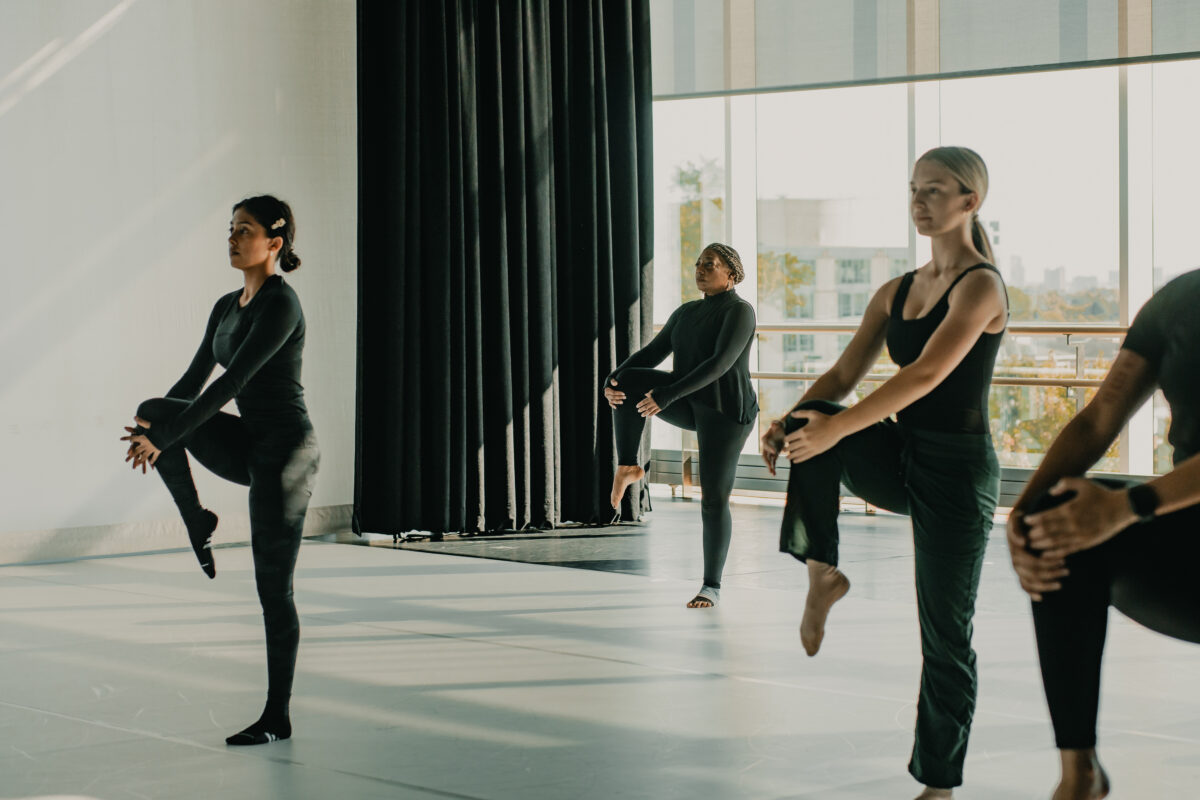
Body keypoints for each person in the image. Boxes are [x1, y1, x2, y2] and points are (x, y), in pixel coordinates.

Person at [761, 147, 1008, 798]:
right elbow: (842, 378)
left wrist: (837, 427)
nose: (920, 202)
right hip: (900, 454)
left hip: (958, 471)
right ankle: (822, 573)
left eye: (935, 190)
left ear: (968, 202)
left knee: (946, 634)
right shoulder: (895, 290)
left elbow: (926, 373)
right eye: (913, 190)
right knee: (811, 412)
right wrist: (789, 422)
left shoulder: (981, 285)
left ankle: (939, 783)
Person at [121, 195, 319, 746]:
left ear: (274, 243)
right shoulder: (225, 306)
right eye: (230, 230)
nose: (232, 240)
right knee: (155, 406)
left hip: (286, 454)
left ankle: (276, 717)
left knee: (272, 590)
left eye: (244, 230)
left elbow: (230, 386)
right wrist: (151, 429)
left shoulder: (282, 304)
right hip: (248, 443)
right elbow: (189, 386)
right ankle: (196, 521)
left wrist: (163, 439)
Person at [1008, 270, 1200, 800]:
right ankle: (1079, 775)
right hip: (1191, 544)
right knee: (1057, 515)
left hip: (1162, 507)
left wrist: (1131, 506)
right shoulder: (1181, 301)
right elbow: (1098, 422)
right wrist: (1023, 515)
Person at [605, 243, 756, 608]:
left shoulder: (740, 311)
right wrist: (612, 379)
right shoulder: (686, 312)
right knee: (627, 381)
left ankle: (711, 586)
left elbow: (719, 364)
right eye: (698, 264)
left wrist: (667, 395)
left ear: (731, 274)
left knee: (713, 497)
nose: (700, 269)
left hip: (726, 411)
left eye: (710, 264)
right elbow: (651, 354)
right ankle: (629, 466)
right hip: (689, 402)